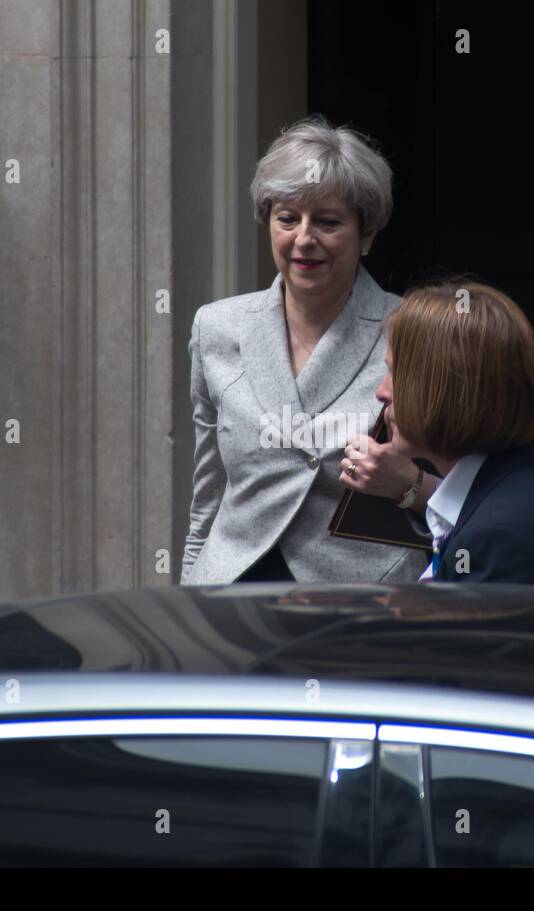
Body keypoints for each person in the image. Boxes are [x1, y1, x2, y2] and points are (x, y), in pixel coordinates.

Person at [180, 116, 432, 584]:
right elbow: (209, 490)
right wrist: (190, 600)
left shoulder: (413, 329)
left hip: (363, 599)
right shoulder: (217, 326)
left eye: (328, 221)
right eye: (288, 218)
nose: (304, 239)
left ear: (367, 233)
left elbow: (461, 496)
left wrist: (409, 487)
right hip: (234, 590)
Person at [352, 280, 534, 587]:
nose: (381, 393)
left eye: (394, 373)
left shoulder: (502, 536)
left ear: (446, 392)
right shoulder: (526, 483)